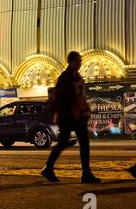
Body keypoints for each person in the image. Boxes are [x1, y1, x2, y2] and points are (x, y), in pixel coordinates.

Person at [41, 51, 100, 183]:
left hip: (75, 115)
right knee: (72, 142)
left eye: (80, 61)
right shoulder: (65, 78)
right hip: (69, 116)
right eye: (77, 61)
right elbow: (64, 99)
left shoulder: (76, 77)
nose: (80, 63)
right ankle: (84, 174)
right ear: (70, 62)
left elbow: (79, 98)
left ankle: (50, 168)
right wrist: (74, 114)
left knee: (72, 143)